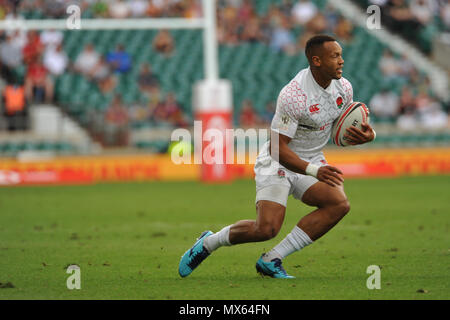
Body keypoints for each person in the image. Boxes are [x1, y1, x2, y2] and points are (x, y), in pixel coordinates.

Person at [178, 35, 376, 279]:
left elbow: (339, 128)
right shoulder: (294, 95)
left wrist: (368, 134)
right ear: (316, 60)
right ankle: (209, 243)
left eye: (340, 55)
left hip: (312, 158)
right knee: (267, 228)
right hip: (278, 161)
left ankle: (272, 259)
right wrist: (314, 171)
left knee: (338, 204)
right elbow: (276, 148)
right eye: (335, 56)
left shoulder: (344, 87)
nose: (341, 61)